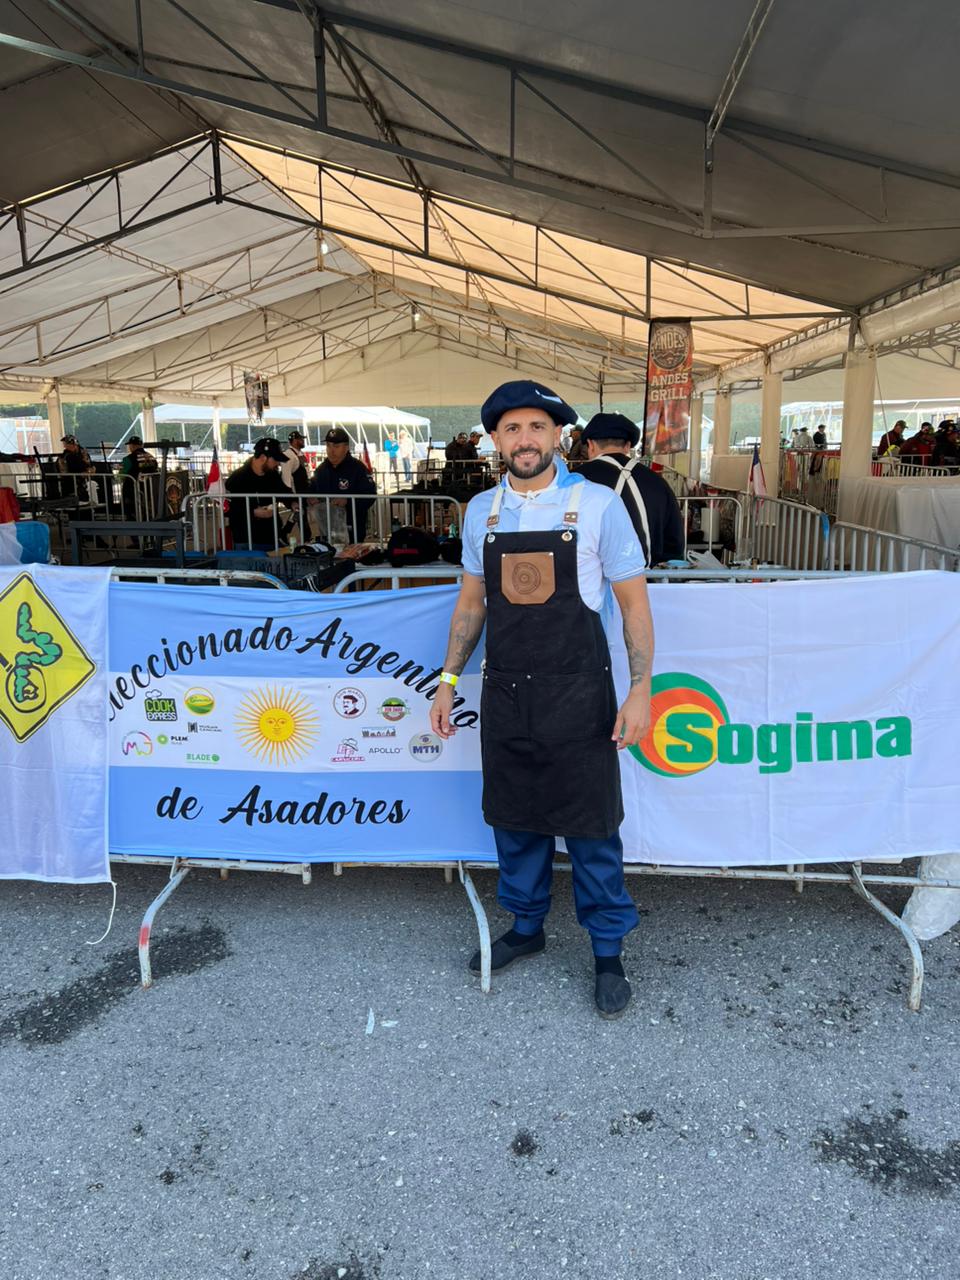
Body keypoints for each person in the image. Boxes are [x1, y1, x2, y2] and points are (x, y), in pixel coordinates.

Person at [430, 379, 654, 1020]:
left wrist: (640, 690)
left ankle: (607, 951)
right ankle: (526, 927)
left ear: (559, 435)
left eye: (536, 427)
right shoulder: (481, 511)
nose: (524, 439)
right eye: (511, 429)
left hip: (580, 690)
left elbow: (634, 605)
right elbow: (471, 604)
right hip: (507, 690)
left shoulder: (598, 506)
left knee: (591, 828)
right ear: (495, 440)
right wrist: (448, 681)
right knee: (516, 819)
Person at [576, 412, 685, 565]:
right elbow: (674, 542)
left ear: (591, 444)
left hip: (589, 576)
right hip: (646, 575)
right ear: (627, 446)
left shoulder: (576, 479)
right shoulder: (657, 482)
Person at [309, 426, 377, 541]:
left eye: (336, 446)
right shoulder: (321, 470)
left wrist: (348, 501)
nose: (331, 450)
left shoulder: (358, 468)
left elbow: (370, 495)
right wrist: (311, 498)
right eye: (328, 446)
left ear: (346, 447)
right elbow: (311, 489)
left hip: (352, 529)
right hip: (326, 529)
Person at [224, 437, 292, 549]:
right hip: (246, 538)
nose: (278, 463)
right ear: (263, 457)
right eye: (275, 459)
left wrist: (293, 502)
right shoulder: (237, 479)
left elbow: (283, 492)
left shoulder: (273, 475)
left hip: (272, 535)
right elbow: (227, 508)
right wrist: (253, 512)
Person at [118, 435, 159, 520]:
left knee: (132, 515)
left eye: (130, 445)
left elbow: (120, 476)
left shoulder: (128, 459)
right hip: (150, 491)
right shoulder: (151, 457)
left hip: (132, 492)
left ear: (132, 446)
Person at [56, 434, 95, 503]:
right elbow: (64, 471)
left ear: (74, 444)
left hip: (82, 484)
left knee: (84, 500)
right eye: (65, 444)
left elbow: (91, 467)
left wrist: (88, 471)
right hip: (69, 484)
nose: (65, 446)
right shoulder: (65, 456)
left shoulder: (83, 453)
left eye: (66, 444)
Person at [280, 430, 311, 496]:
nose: (303, 440)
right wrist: (290, 495)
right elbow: (286, 477)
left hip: (304, 491)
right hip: (297, 493)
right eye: (300, 439)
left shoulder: (300, 453)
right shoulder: (288, 455)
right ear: (294, 441)